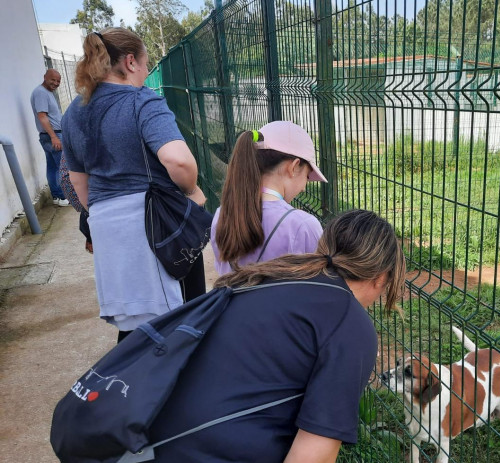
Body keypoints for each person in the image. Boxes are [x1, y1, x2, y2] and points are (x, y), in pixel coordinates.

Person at [148, 209, 406, 462]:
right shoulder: (350, 323)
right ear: (382, 277)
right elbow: (315, 452)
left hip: (152, 431)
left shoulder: (266, 277)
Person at [61, 28, 207, 343]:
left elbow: (76, 179)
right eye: (144, 64)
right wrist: (191, 192)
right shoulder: (141, 100)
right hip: (156, 227)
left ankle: (133, 385)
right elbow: (179, 161)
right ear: (130, 62)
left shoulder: (73, 111)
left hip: (105, 227)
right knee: (182, 316)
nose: (144, 72)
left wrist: (101, 212)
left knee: (133, 324)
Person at [211, 122, 327, 275]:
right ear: (293, 167)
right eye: (307, 176)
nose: (304, 187)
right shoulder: (303, 226)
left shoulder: (222, 214)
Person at [31, 69, 69, 207]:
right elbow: (42, 116)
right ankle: (62, 196)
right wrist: (54, 137)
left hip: (50, 135)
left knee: (53, 166)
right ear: (45, 77)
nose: (56, 83)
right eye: (53, 79)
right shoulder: (41, 93)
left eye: (58, 81)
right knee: (62, 166)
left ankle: (57, 196)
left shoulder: (47, 93)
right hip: (51, 135)